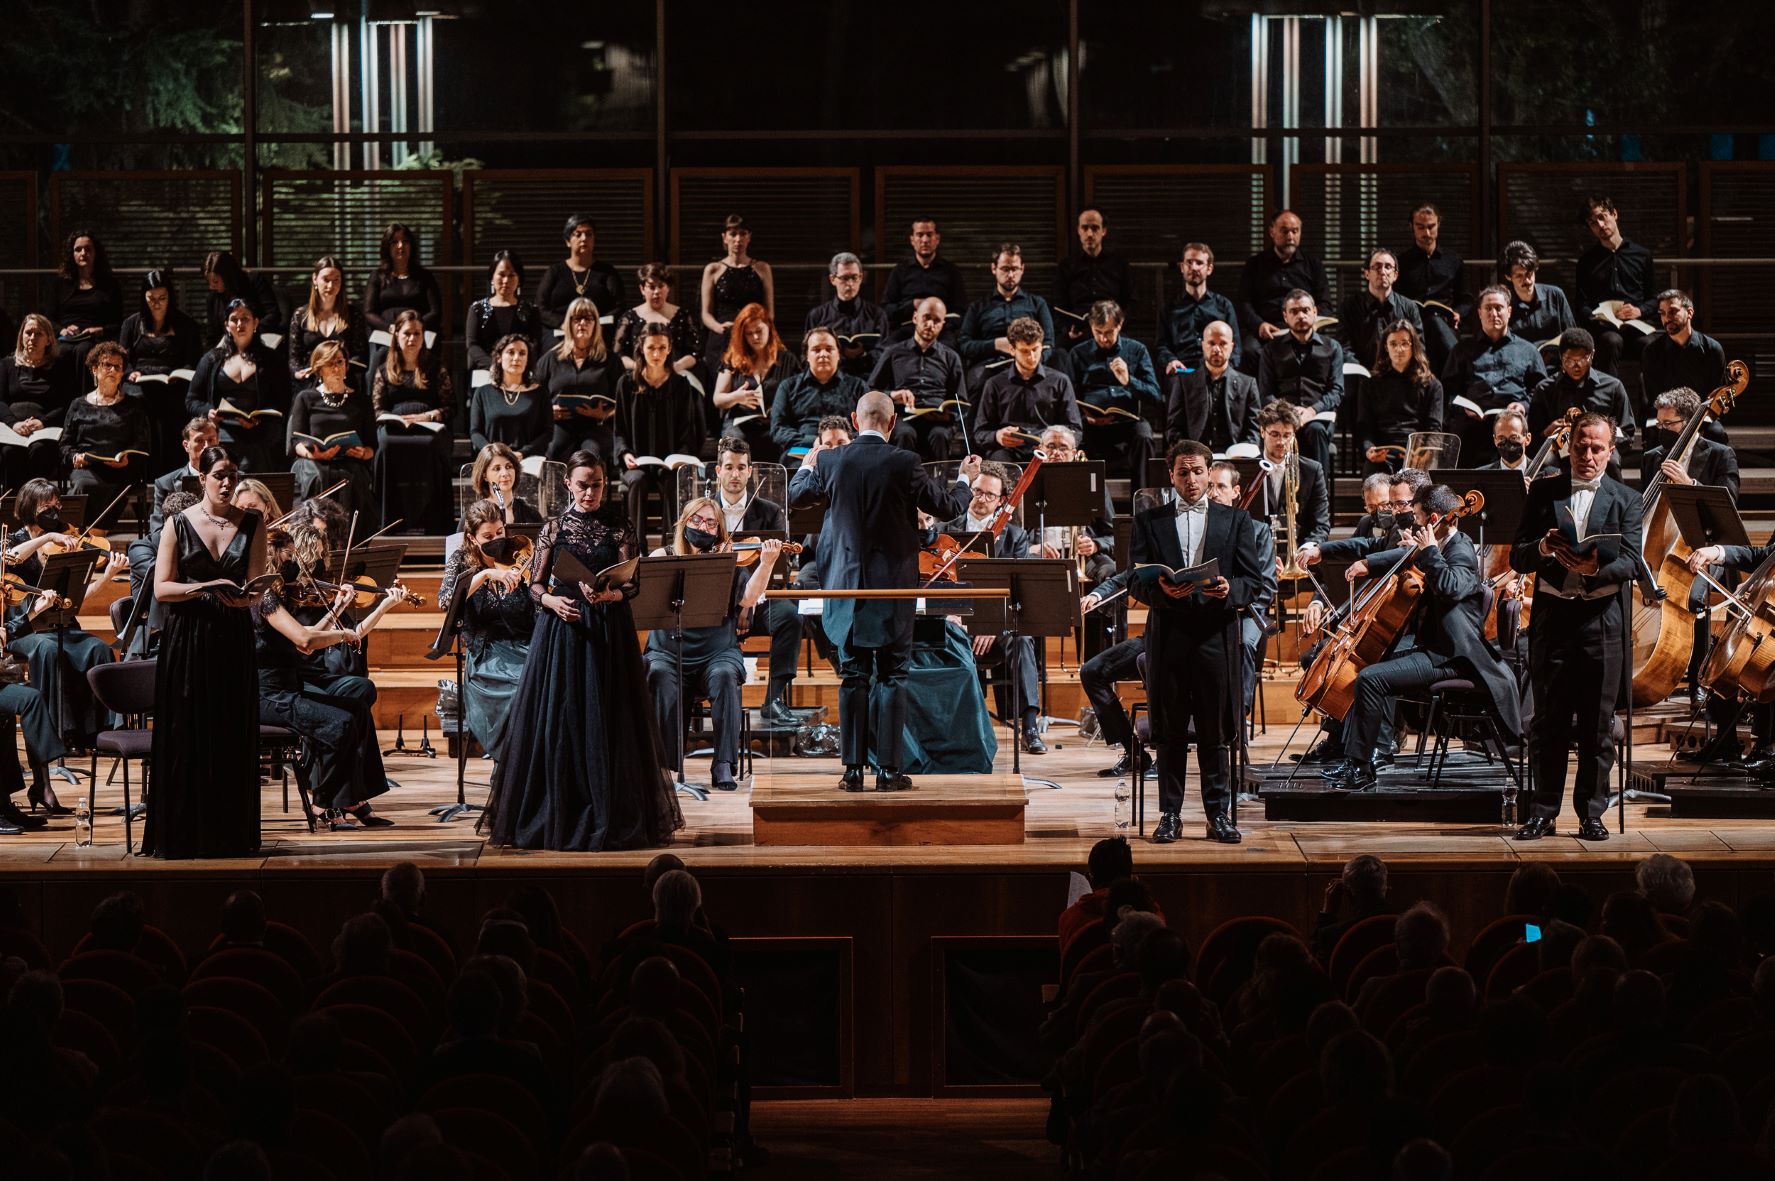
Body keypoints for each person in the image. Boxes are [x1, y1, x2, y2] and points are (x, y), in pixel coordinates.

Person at [487, 453, 680, 851]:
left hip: (608, 631)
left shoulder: (619, 526)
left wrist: (612, 593)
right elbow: (535, 585)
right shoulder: (554, 528)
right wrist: (553, 603)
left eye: (596, 485)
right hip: (563, 632)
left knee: (611, 717)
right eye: (582, 485)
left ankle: (609, 810)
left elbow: (634, 583)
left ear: (604, 484)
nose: (590, 492)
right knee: (563, 717)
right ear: (568, 486)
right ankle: (559, 810)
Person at [787, 392, 978, 791]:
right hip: (892, 590)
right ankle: (889, 772)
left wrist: (807, 467)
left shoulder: (829, 459)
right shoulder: (905, 462)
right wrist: (965, 479)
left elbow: (797, 496)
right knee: (893, 676)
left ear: (856, 421)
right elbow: (947, 507)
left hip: (844, 590)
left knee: (853, 676)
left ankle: (853, 772)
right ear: (892, 424)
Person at [1305, 483, 1522, 792]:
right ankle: (1355, 761)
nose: (1414, 521)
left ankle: (1362, 768)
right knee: (1362, 669)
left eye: (1419, 516)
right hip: (1433, 649)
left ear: (1434, 518)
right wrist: (1365, 563)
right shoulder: (1435, 545)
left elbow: (1452, 588)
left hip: (1454, 657)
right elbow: (1399, 555)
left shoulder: (1459, 547)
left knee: (1371, 678)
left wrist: (1430, 550)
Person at [1510, 412, 1644, 841]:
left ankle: (1591, 813)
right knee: (1547, 722)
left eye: (1596, 448)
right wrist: (1543, 547)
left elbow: (1632, 563)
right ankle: (1542, 812)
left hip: (1601, 623)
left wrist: (1593, 567)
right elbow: (1517, 555)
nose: (1587, 455)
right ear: (1569, 445)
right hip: (1552, 619)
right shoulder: (1544, 491)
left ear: (1611, 450)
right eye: (1580, 446)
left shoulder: (1627, 498)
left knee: (1596, 726)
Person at [1126, 439, 1267, 844]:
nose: (1191, 479)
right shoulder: (1149, 521)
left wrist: (1230, 590)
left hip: (1215, 635)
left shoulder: (1236, 520)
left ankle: (1218, 815)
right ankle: (1170, 815)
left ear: (1209, 473)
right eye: (1183, 472)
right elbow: (1135, 579)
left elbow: (1253, 581)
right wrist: (1159, 593)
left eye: (1198, 471)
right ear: (1171, 475)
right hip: (1167, 634)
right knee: (1168, 731)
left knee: (1214, 731)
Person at [145, 447, 264, 859]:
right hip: (188, 637)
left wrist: (247, 598)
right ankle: (184, 834)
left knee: (229, 730)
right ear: (203, 479)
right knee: (187, 732)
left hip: (232, 635)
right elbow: (162, 588)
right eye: (219, 475)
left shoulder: (253, 522)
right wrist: (206, 588)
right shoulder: (177, 524)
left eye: (232, 474)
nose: (227, 482)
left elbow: (255, 588)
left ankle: (229, 835)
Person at [257, 527, 404, 828]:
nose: (294, 560)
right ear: (273, 556)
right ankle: (321, 802)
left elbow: (302, 646)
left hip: (287, 687)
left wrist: (336, 610)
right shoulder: (264, 599)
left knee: (357, 710)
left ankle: (351, 796)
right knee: (340, 723)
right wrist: (345, 632)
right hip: (268, 695)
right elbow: (306, 640)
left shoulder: (279, 597)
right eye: (289, 553)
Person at [645, 499, 785, 791]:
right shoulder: (663, 555)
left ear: (720, 530)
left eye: (711, 523)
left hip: (717, 652)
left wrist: (767, 562)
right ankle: (665, 765)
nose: (703, 527)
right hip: (668, 652)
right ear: (684, 523)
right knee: (657, 674)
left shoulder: (727, 560)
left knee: (724, 675)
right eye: (697, 520)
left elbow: (748, 598)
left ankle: (723, 763)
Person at [4, 478, 125, 753]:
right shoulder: (15, 540)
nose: (54, 512)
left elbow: (77, 598)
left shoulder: (66, 543)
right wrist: (46, 538)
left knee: (97, 648)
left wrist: (106, 577)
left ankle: (96, 733)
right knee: (49, 650)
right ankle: (60, 735)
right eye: (47, 506)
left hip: (61, 623)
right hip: (26, 628)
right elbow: (8, 558)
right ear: (29, 507)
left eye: (56, 505)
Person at [937, 462, 1045, 754]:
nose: (980, 499)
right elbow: (935, 583)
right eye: (976, 491)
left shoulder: (1015, 537)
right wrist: (951, 614)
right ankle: (948, 729)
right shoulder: (945, 530)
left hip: (997, 627)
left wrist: (992, 623)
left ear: (1000, 501)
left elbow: (1018, 592)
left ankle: (1030, 725)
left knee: (1022, 639)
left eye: (989, 495)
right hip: (955, 622)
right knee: (935, 635)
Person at [707, 437, 801, 723]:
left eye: (741, 467)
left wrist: (748, 605)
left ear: (750, 472)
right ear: (718, 471)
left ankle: (772, 698)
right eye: (729, 467)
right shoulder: (704, 512)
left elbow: (777, 572)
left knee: (790, 618)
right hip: (716, 606)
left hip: (759, 601)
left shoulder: (770, 512)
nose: (735, 474)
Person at [438, 499, 536, 756]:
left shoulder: (518, 553)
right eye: (488, 536)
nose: (496, 539)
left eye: (500, 532)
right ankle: (509, 766)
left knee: (549, 682)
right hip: (487, 654)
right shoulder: (461, 560)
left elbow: (536, 602)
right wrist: (484, 575)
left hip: (525, 644)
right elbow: (446, 601)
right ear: (472, 538)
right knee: (521, 690)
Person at [614, 325, 706, 541]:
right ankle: (635, 547)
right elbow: (619, 430)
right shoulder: (627, 384)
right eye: (651, 348)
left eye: (662, 348)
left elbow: (688, 430)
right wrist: (625, 453)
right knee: (637, 482)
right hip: (637, 462)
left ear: (669, 349)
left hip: (669, 463)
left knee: (673, 481)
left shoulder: (681, 385)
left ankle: (671, 545)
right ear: (641, 349)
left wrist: (681, 457)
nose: (656, 354)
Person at [1441, 285, 1547, 467]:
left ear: (1509, 311)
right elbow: (1448, 393)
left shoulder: (1528, 350)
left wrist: (1523, 405)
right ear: (1479, 313)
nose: (1493, 313)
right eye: (1488, 308)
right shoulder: (1462, 350)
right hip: (1473, 427)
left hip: (1513, 428)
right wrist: (1463, 408)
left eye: (1498, 308)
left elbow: (1541, 392)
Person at [373, 309, 456, 534]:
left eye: (417, 334)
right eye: (407, 333)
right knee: (386, 446)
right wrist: (395, 418)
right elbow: (378, 408)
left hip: (428, 425)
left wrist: (428, 416)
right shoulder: (384, 369)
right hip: (395, 427)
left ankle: (432, 523)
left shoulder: (435, 367)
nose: (412, 339)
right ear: (396, 335)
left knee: (432, 446)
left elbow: (450, 407)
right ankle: (390, 523)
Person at [188, 298, 291, 472]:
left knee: (255, 454)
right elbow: (192, 400)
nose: (239, 323)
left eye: (245, 318)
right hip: (223, 430)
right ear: (227, 325)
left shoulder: (272, 360)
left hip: (260, 431)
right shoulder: (212, 359)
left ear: (256, 322)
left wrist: (259, 420)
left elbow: (284, 401)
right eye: (234, 319)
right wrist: (208, 412)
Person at [289, 340, 379, 530]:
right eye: (330, 363)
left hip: (350, 461)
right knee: (318, 476)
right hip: (314, 461)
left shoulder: (361, 401)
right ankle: (314, 535)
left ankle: (347, 539)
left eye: (340, 362)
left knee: (351, 477)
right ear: (319, 369)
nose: (336, 367)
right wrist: (312, 454)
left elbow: (372, 445)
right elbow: (295, 440)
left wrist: (363, 453)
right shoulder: (306, 398)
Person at [60, 342, 150, 527]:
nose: (112, 370)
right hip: (87, 467)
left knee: (115, 484)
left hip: (121, 468)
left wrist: (128, 459)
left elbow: (142, 442)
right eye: (107, 365)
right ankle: (76, 533)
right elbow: (65, 444)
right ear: (94, 369)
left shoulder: (133, 404)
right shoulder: (78, 404)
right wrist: (74, 457)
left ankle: (94, 535)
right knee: (85, 485)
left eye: (118, 366)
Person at [119, 269, 204, 466]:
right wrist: (130, 372)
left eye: (162, 298)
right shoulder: (131, 324)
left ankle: (170, 465)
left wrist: (179, 374)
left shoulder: (185, 324)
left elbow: (193, 361)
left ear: (170, 297)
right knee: (138, 400)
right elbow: (123, 358)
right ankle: (143, 466)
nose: (156, 303)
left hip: (172, 382)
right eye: (151, 298)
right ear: (144, 298)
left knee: (175, 403)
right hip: (140, 382)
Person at [969, 316, 1082, 464]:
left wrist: (1054, 441)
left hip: (1048, 451)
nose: (1032, 357)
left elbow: (1075, 430)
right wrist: (997, 436)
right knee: (999, 461)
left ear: (1042, 346)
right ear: (1012, 349)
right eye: (1024, 351)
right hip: (1009, 453)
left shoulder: (1060, 381)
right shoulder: (995, 383)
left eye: (1035, 349)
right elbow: (979, 433)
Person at [1069, 300, 1160, 479]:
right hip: (1091, 425)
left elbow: (1155, 395)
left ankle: (1143, 501)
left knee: (1144, 435)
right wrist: (1084, 417)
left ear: (1119, 325)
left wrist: (1128, 381)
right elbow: (1070, 396)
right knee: (1072, 438)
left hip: (1127, 423)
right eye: (1098, 332)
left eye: (1109, 332)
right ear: (1091, 327)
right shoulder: (1078, 353)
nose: (1103, 339)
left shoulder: (1137, 350)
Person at [1255, 288, 1344, 473]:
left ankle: (1321, 496)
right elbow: (1266, 392)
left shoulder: (1332, 347)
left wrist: (1312, 411)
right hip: (1282, 417)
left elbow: (1336, 391)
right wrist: (1288, 413)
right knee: (1275, 433)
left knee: (1316, 431)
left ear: (1315, 312)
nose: (1301, 315)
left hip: (1317, 417)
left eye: (1305, 310)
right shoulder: (1271, 350)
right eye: (1294, 311)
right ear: (1285, 316)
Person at [869, 297, 968, 461]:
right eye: (926, 317)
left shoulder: (951, 357)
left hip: (938, 420)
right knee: (905, 434)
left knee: (940, 435)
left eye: (937, 321)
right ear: (915, 317)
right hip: (903, 415)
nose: (930, 324)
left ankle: (939, 486)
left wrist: (949, 414)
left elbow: (961, 401)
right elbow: (871, 392)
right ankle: (900, 485)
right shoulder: (893, 352)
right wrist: (893, 395)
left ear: (943, 324)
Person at [1235, 210, 1328, 372]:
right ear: (1272, 232)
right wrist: (1259, 325)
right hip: (1266, 331)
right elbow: (1244, 303)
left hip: (1303, 330)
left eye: (1295, 231)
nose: (1290, 236)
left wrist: (1309, 323)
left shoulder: (1313, 265)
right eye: (1284, 231)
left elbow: (1325, 303)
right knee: (1249, 352)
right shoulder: (1255, 264)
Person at [1574, 195, 1658, 376]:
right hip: (1605, 329)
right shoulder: (1586, 262)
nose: (1600, 225)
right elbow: (1581, 305)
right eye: (1593, 223)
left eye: (1602, 217)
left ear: (1614, 214)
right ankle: (1609, 401)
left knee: (1650, 345)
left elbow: (1654, 299)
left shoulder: (1642, 255)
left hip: (1637, 325)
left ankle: (1652, 404)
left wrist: (1639, 311)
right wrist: (1597, 317)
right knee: (1611, 342)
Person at [959, 244, 1059, 389]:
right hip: (990, 366)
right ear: (994, 268)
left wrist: (1032, 360)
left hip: (1030, 364)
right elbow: (965, 345)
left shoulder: (1037, 303)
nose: (1011, 275)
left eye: (1015, 269)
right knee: (978, 382)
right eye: (1005, 269)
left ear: (1022, 269)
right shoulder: (978, 306)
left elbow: (1049, 343)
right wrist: (995, 344)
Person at [537, 297, 620, 465]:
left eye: (588, 318)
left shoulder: (610, 360)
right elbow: (535, 397)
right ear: (569, 323)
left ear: (596, 324)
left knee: (590, 456)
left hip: (597, 425)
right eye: (577, 318)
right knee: (553, 451)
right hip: (560, 424)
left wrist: (605, 414)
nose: (582, 323)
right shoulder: (551, 359)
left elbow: (624, 401)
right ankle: (556, 492)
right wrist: (548, 411)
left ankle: (588, 492)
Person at [1357, 321, 1443, 474]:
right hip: (1382, 454)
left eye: (1405, 343)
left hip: (1417, 453)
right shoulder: (1370, 384)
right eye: (1393, 344)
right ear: (1386, 347)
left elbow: (1434, 428)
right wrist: (1369, 449)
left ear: (1413, 346)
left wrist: (1425, 454)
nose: (1399, 349)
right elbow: (1365, 426)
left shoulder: (1431, 385)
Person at [713, 303, 796, 462]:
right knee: (734, 444)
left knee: (785, 441)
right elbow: (718, 399)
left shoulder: (787, 359)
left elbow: (798, 396)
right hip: (740, 421)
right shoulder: (733, 359)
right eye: (749, 334)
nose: (755, 337)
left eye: (759, 331)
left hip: (774, 422)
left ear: (769, 328)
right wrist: (736, 397)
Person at [769, 328, 870, 456]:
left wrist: (841, 442)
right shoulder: (788, 387)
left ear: (838, 353)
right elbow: (778, 430)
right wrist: (815, 441)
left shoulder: (858, 386)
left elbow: (868, 427)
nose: (823, 354)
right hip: (804, 451)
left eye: (829, 349)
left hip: (847, 451)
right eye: (816, 350)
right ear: (806, 355)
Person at [0, 314, 76, 485]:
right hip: (13, 430)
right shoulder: (7, 365)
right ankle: (13, 505)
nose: (32, 338)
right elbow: (0, 402)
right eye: (28, 333)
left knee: (39, 450)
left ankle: (36, 501)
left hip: (44, 429)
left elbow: (66, 405)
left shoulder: (59, 367)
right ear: (21, 337)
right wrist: (14, 424)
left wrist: (42, 422)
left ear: (49, 340)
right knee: (9, 451)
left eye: (38, 334)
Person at [1526, 330, 1634, 448]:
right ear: (1561, 357)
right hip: (1558, 451)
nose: (1576, 367)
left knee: (1612, 463)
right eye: (1569, 361)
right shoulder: (1544, 389)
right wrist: (1546, 432)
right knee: (1548, 465)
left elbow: (1627, 434)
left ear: (1592, 355)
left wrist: (1601, 438)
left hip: (1600, 451)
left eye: (1582, 360)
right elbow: (1531, 438)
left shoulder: (1613, 387)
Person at [1164, 319, 1259, 454]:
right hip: (1196, 459)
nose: (1216, 349)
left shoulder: (1248, 384)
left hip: (1235, 460)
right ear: (1203, 345)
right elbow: (1174, 429)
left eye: (1223, 344)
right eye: (1211, 343)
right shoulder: (1184, 382)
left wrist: (1243, 454)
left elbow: (1254, 430)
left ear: (1232, 346)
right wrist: (1189, 453)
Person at [1394, 203, 1467, 374]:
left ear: (1438, 224)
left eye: (1431, 227)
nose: (1426, 233)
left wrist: (1458, 314)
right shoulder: (1401, 263)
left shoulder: (1453, 261)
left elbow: (1465, 299)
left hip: (1446, 326)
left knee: (1435, 323)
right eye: (1420, 227)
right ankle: (1461, 369)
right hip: (1412, 327)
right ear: (1412, 227)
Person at [45, 229, 123, 383]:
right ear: (71, 254)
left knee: (84, 350)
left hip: (95, 339)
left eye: (88, 249)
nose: (83, 253)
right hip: (66, 338)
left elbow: (119, 323)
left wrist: (100, 330)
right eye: (78, 249)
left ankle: (84, 402)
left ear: (96, 253)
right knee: (62, 352)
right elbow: (48, 318)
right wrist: (63, 329)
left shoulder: (110, 285)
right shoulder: (60, 284)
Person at [363, 223, 443, 372]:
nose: (400, 246)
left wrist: (414, 327)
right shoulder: (377, 276)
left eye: (405, 241)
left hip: (417, 336)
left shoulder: (424, 277)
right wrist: (390, 328)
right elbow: (369, 312)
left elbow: (436, 311)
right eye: (394, 242)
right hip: (387, 335)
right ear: (387, 247)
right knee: (381, 357)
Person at [1250, 399, 1331, 544]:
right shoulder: (1247, 470)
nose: (1281, 442)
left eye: (1287, 435)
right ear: (1262, 432)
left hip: (1299, 553)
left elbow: (1321, 524)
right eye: (1274, 434)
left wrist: (1307, 549)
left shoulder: (1312, 471)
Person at [699, 215, 774, 372]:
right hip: (723, 336)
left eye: (743, 233)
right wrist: (719, 328)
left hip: (753, 336)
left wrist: (756, 329)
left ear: (749, 237)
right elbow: (706, 314)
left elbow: (770, 312)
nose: (738, 239)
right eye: (733, 234)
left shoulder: (762, 268)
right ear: (724, 237)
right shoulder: (713, 269)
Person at [1158, 242, 1240, 381]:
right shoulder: (1169, 308)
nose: (1193, 267)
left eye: (1199, 263)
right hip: (1182, 371)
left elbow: (1236, 347)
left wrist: (1224, 369)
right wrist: (1171, 360)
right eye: (1189, 262)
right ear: (1182, 267)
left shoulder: (1224, 306)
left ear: (1209, 269)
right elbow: (1161, 346)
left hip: (1217, 370)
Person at [1641, 288, 1729, 415]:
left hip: (1701, 417)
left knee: (1717, 434)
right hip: (1666, 418)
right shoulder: (1652, 352)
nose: (1667, 318)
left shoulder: (1712, 349)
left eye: (1672, 312)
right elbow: (1654, 397)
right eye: (1662, 313)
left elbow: (1716, 394)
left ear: (1689, 313)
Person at [881, 217, 967, 346]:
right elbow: (886, 310)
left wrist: (938, 323)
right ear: (912, 240)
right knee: (886, 351)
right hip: (907, 330)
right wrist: (912, 305)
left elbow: (961, 311)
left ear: (937, 239)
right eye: (920, 235)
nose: (925, 240)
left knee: (953, 351)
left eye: (929, 235)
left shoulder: (951, 271)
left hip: (941, 332)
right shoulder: (900, 270)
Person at [1338, 248, 1424, 377]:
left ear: (1395, 275)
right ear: (1367, 273)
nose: (1383, 272)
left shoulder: (1409, 307)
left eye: (1388, 267)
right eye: (1377, 267)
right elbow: (1344, 347)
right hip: (1362, 378)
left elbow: (1418, 347)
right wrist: (1361, 371)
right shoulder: (1350, 306)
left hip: (1399, 376)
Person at [804, 252, 890, 379]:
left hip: (868, 378)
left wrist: (864, 355)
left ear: (861, 278)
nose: (850, 284)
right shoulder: (817, 316)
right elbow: (806, 355)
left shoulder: (877, 314)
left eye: (854, 278)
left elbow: (885, 352)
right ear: (832, 279)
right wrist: (840, 354)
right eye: (844, 278)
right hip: (830, 380)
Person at [286, 256, 367, 392]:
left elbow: (360, 355)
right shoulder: (300, 315)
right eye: (326, 280)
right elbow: (294, 358)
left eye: (336, 280)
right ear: (314, 279)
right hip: (310, 381)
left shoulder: (353, 314)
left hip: (342, 380)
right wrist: (298, 373)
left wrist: (340, 368)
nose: (331, 286)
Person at [1054, 209, 1134, 344]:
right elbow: (1058, 305)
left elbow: (1131, 301)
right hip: (1078, 335)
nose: (1090, 234)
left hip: (1112, 331)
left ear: (1104, 231)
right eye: (1085, 228)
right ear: (1078, 231)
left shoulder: (1119, 264)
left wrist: (1118, 327)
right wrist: (1068, 330)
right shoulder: (1066, 266)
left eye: (1095, 228)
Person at [539, 214, 625, 333]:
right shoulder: (555, 271)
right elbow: (541, 307)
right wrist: (562, 324)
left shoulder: (607, 272)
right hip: (561, 333)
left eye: (589, 234)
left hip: (597, 333)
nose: (584, 238)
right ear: (568, 241)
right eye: (578, 234)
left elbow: (619, 307)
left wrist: (594, 324)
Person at [467, 333, 550, 459]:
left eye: (522, 353)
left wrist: (522, 454)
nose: (516, 358)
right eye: (511, 352)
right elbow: (475, 432)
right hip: (492, 460)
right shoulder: (483, 393)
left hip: (528, 460)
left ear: (527, 360)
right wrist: (493, 453)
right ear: (499, 357)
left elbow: (547, 433)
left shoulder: (540, 393)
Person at [612, 262, 702, 378]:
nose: (656, 292)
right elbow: (618, 354)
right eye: (652, 287)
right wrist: (638, 367)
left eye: (661, 286)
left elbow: (695, 352)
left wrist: (677, 366)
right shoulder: (629, 317)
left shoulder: (683, 315)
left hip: (676, 375)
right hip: (638, 375)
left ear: (668, 288)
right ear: (642, 289)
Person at [464, 250, 544, 376]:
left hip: (519, 372)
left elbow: (534, 344)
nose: (506, 280)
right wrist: (495, 366)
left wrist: (515, 365)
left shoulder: (530, 310)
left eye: (511, 275)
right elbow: (473, 345)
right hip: (485, 371)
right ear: (492, 278)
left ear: (519, 279)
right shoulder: (477, 309)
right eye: (501, 274)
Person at [1501, 240, 1577, 353]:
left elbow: (1572, 334)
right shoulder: (1505, 304)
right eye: (1519, 276)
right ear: (1508, 277)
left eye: (1529, 273)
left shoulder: (1555, 295)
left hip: (1557, 363)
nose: (1526, 280)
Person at [149, 417, 219, 532]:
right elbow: (157, 529)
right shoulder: (165, 484)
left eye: (211, 440)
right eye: (200, 440)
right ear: (186, 445)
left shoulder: (234, 478)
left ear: (218, 442)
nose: (207, 446)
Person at [200, 251, 284, 344]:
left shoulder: (254, 281)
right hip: (230, 347)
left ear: (228, 277)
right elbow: (212, 336)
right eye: (209, 282)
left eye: (215, 282)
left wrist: (248, 333)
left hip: (260, 341)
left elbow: (273, 315)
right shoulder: (213, 298)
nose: (211, 287)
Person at [470, 442, 542, 524]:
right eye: (497, 469)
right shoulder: (473, 516)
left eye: (509, 467)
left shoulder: (532, 515)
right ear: (484, 476)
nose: (505, 473)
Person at [1483, 410, 1536, 477]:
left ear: (1527, 439)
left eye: (1514, 438)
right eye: (1501, 438)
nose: (1508, 444)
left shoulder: (1546, 474)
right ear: (1495, 440)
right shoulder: (1480, 476)